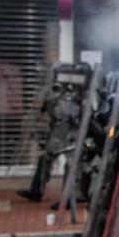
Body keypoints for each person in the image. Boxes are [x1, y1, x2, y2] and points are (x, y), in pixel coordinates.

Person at [17, 64, 91, 203]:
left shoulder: (83, 96)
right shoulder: (57, 94)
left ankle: (70, 197)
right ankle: (36, 191)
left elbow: (78, 113)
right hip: (58, 133)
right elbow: (49, 111)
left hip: (73, 134)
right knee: (44, 159)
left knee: (74, 165)